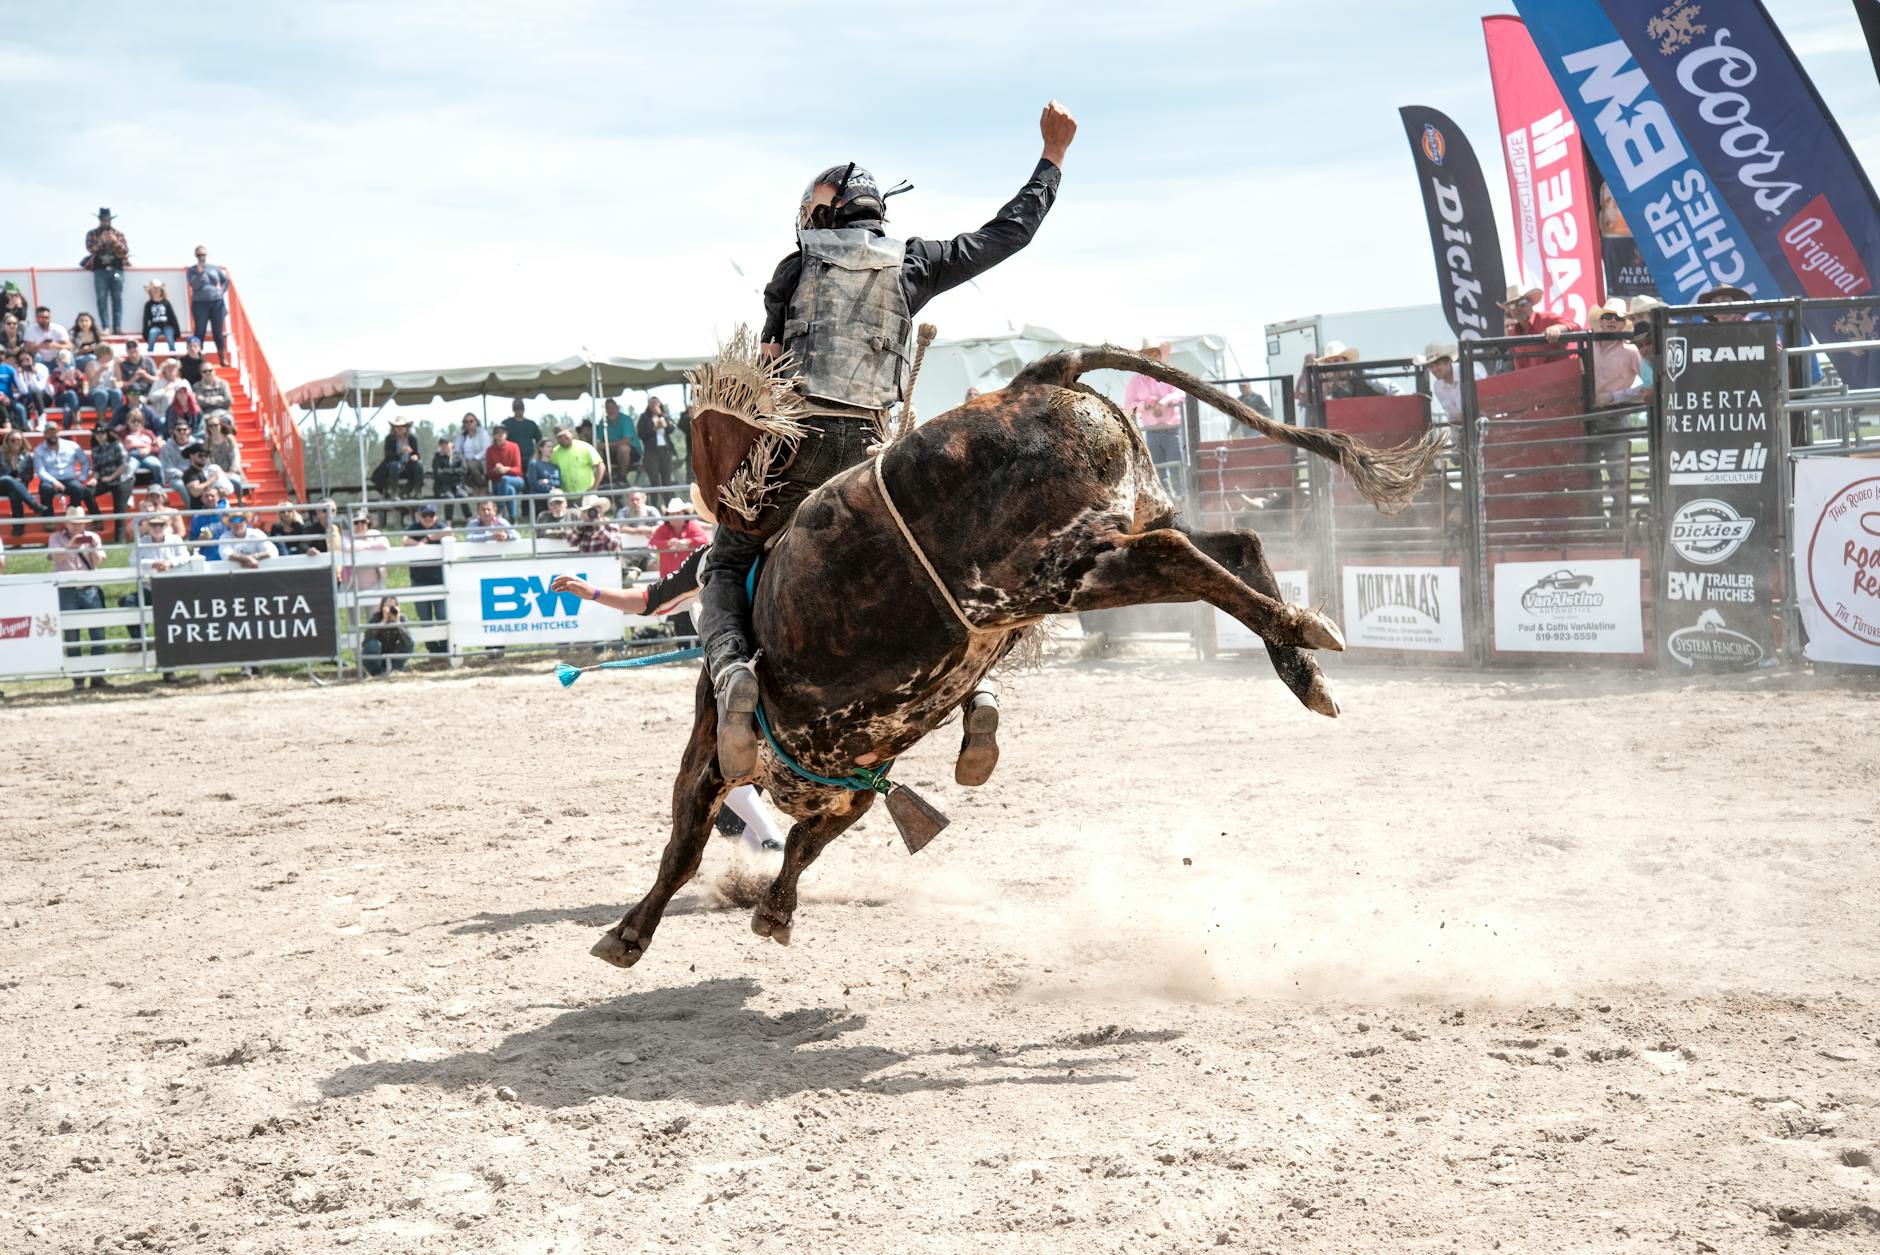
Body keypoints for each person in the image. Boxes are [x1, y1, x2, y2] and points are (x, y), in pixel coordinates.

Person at [698, 99, 1076, 774]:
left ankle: (732, 675)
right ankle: (978, 688)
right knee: (970, 569)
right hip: (874, 466)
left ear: (821, 214)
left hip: (796, 455)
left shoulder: (792, 271)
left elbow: (770, 372)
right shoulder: (914, 264)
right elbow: (1006, 234)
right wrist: (1052, 157)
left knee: (724, 564)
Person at [551, 537, 785, 855]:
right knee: (728, 803)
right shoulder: (781, 544)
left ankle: (772, 845)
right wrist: (592, 592)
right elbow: (649, 599)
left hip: (736, 674)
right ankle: (769, 858)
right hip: (778, 670)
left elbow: (649, 600)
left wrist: (592, 593)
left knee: (714, 768)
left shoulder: (709, 559)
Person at [121, 507, 197, 677]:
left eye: (160, 524)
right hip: (149, 587)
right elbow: (132, 560)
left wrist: (169, 563)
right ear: (149, 526)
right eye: (154, 524)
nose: (157, 528)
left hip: (171, 588)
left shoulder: (175, 539)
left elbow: (185, 556)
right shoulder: (142, 541)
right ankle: (139, 639)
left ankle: (169, 670)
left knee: (167, 626)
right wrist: (153, 563)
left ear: (166, 525)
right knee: (128, 601)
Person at [49, 505, 111, 687]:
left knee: (98, 633)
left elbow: (100, 560)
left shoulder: (93, 537)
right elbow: (53, 557)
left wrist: (93, 548)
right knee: (72, 634)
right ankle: (77, 678)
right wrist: (70, 546)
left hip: (89, 588)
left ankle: (97, 675)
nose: (77, 527)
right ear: (66, 524)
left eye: (80, 524)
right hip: (67, 590)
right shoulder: (56, 538)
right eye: (74, 524)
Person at [1125, 341, 1184, 489]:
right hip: (1152, 433)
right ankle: (1171, 507)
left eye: (1154, 354)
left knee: (1178, 471)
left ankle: (1183, 503)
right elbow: (1128, 406)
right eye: (1147, 354)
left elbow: (1181, 393)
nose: (1152, 357)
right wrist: (1145, 404)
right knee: (1159, 473)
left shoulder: (1170, 375)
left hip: (1172, 430)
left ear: (1159, 356)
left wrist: (1164, 402)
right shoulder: (1135, 381)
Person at [402, 503, 450, 652]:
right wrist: (419, 544)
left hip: (440, 580)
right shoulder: (413, 528)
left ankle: (445, 647)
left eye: (431, 515)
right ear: (419, 516)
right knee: (425, 618)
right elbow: (404, 541)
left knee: (442, 615)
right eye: (425, 515)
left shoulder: (440, 526)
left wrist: (428, 539)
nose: (428, 518)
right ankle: (432, 650)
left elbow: (449, 531)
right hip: (420, 580)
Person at [1499, 284, 1579, 369]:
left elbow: (1576, 327)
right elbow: (1520, 367)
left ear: (1531, 303)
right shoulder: (1513, 335)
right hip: (1538, 379)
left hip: (1564, 374)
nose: (1517, 308)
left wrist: (1557, 328)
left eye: (1522, 303)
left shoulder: (1546, 318)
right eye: (1512, 306)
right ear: (1510, 312)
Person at [83, 208, 130, 333]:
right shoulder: (92, 233)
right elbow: (90, 249)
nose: (105, 222)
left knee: (117, 298)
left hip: (116, 268)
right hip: (100, 270)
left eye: (107, 219)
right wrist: (101, 241)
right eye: (103, 219)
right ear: (99, 220)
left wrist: (115, 241)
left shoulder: (118, 234)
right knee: (101, 298)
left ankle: (117, 327)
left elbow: (125, 251)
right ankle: (105, 326)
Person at [33, 419, 94, 513]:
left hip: (70, 479)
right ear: (44, 434)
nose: (52, 435)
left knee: (79, 488)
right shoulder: (39, 450)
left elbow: (85, 461)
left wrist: (82, 477)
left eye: (54, 432)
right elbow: (41, 471)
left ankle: (71, 514)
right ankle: (48, 519)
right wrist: (54, 481)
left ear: (58, 432)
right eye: (49, 432)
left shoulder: (72, 445)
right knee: (45, 489)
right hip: (50, 481)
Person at [186, 245, 232, 365]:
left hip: (216, 302)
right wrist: (200, 274)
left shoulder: (214, 268)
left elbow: (225, 280)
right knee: (200, 330)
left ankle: (222, 356)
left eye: (203, 255)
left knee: (218, 331)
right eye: (199, 255)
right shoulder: (192, 270)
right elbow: (194, 285)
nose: (202, 257)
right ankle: (198, 356)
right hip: (200, 303)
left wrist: (221, 291)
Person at [88, 424, 135, 539]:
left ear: (107, 434)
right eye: (97, 433)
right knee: (87, 492)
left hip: (123, 479)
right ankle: (97, 519)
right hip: (105, 479)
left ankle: (120, 540)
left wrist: (111, 477)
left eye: (102, 433)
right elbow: (96, 468)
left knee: (119, 510)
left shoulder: (117, 445)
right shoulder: (95, 450)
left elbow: (124, 465)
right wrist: (94, 478)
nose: (99, 436)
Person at [0, 428, 50, 534]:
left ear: (22, 441)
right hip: (1, 485)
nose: (16, 442)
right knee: (7, 479)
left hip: (19, 486)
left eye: (18, 440)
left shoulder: (27, 456)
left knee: (14, 494)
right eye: (12, 440)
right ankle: (33, 504)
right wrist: (12, 466)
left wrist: (21, 479)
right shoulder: (1, 455)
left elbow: (29, 475)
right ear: (7, 441)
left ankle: (18, 528)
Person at [649, 496, 709, 580]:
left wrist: (687, 542)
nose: (675, 517)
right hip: (668, 576)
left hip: (691, 573)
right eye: (672, 514)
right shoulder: (663, 528)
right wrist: (668, 543)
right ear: (668, 515)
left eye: (678, 513)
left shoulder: (692, 526)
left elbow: (703, 540)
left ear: (684, 514)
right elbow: (652, 543)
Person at [371, 417, 424, 499]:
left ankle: (418, 491)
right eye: (398, 427)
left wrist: (414, 456)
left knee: (418, 466)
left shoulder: (412, 439)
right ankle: (394, 492)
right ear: (394, 428)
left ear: (407, 428)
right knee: (394, 465)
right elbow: (389, 455)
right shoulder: (390, 439)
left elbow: (416, 453)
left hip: (408, 466)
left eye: (403, 426)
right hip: (392, 468)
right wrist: (401, 452)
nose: (400, 429)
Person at [361, 595, 413, 676]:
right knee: (373, 644)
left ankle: (396, 670)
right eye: (387, 606)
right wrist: (383, 622)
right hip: (378, 656)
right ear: (382, 607)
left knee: (409, 642)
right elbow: (366, 640)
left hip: (393, 655)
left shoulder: (402, 618)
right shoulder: (376, 617)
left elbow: (409, 642)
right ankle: (377, 672)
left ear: (398, 607)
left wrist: (397, 623)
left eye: (393, 606)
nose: (390, 609)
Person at [341, 510, 390, 592]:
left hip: (375, 586)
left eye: (363, 522)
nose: (360, 525)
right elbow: (347, 548)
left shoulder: (374, 533)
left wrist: (366, 545)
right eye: (356, 523)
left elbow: (385, 544)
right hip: (352, 587)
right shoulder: (346, 536)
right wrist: (369, 545)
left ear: (368, 523)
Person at [550, 425, 604, 497]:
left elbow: (600, 466)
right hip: (565, 499)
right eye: (559, 437)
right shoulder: (554, 453)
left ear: (571, 433)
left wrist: (594, 488)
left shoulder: (585, 447)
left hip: (587, 495)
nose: (563, 438)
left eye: (565, 435)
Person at [1417, 342, 1463, 426]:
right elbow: (1453, 416)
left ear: (1448, 362)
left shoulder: (1467, 373)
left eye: (1437, 364)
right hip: (1460, 428)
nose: (1434, 369)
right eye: (1431, 366)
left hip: (1484, 423)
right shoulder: (1438, 387)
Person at [484, 423, 525, 517]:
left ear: (506, 434)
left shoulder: (514, 446)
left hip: (516, 479)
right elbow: (489, 473)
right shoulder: (490, 450)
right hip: (498, 483)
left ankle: (499, 508)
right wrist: (496, 470)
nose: (500, 435)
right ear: (494, 435)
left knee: (505, 479)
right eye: (497, 433)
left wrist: (506, 469)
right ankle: (513, 518)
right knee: (510, 490)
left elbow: (518, 469)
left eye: (502, 432)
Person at [637, 396, 677, 486]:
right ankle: (654, 499)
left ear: (659, 404)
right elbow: (641, 434)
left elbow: (672, 429)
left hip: (665, 451)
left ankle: (668, 498)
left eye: (656, 403)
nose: (654, 405)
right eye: (652, 403)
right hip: (651, 452)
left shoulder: (665, 415)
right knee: (654, 481)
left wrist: (663, 418)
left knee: (667, 480)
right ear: (649, 405)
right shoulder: (644, 417)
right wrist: (654, 428)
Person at [603, 397, 641, 486]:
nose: (610, 410)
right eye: (608, 408)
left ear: (617, 408)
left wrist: (607, 445)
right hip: (611, 453)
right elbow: (599, 441)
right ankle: (605, 477)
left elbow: (627, 441)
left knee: (623, 448)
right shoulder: (603, 422)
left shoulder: (625, 420)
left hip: (632, 453)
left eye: (612, 407)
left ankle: (622, 476)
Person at [431, 435, 469, 519]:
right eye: (442, 444)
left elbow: (463, 470)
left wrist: (447, 471)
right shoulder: (438, 457)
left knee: (463, 496)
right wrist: (455, 473)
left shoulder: (458, 456)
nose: (444, 446)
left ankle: (468, 519)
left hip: (458, 485)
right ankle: (448, 523)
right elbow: (438, 473)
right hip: (443, 486)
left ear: (451, 444)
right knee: (449, 498)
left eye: (446, 443)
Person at [84, 348, 124, 429]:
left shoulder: (114, 364)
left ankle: (116, 421)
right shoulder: (91, 364)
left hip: (110, 388)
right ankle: (101, 421)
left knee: (117, 393)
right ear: (102, 354)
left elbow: (120, 381)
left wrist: (117, 385)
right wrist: (100, 371)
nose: (111, 356)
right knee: (102, 394)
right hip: (95, 391)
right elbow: (92, 383)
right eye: (109, 354)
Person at [501, 398, 543, 467]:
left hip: (530, 458)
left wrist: (536, 454)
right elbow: (500, 441)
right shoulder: (506, 424)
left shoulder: (531, 424)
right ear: (513, 409)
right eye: (516, 408)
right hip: (511, 459)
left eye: (520, 408)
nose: (519, 410)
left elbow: (540, 441)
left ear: (524, 409)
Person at [142, 280, 183, 350]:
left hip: (167, 326)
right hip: (155, 327)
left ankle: (173, 356)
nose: (156, 291)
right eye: (153, 289)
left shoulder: (166, 303)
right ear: (150, 292)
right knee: (151, 335)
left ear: (161, 290)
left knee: (170, 337)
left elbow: (173, 317)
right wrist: (145, 333)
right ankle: (150, 356)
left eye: (157, 289)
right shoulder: (148, 304)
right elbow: (145, 319)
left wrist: (177, 331)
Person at [457, 412, 491, 495]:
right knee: (458, 469)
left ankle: (482, 485)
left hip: (480, 460)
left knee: (472, 465)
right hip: (465, 460)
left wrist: (475, 458)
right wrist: (463, 459)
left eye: (471, 421)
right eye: (466, 422)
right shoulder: (461, 435)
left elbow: (486, 449)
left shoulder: (483, 433)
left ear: (476, 422)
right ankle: (474, 487)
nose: (469, 423)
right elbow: (457, 450)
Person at [158, 419, 194, 494]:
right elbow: (166, 468)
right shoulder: (166, 447)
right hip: (175, 478)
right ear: (174, 431)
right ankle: (191, 506)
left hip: (193, 475)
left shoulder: (195, 444)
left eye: (184, 429)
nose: (182, 432)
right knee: (181, 485)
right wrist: (182, 475)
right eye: (179, 430)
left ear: (189, 430)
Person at [524, 436, 561, 507]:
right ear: (541, 448)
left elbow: (559, 483)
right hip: (539, 500)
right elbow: (533, 483)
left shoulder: (555, 467)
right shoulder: (534, 464)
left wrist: (548, 481)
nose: (551, 449)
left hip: (554, 500)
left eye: (552, 447)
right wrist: (550, 488)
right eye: (548, 447)